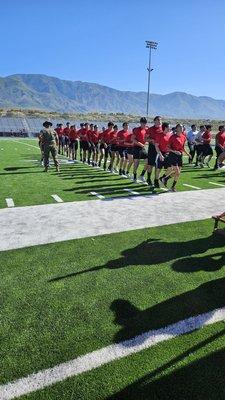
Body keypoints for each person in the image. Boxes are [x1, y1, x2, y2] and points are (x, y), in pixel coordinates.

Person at [160, 124, 189, 192]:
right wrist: (175, 151)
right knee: (177, 171)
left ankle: (166, 180)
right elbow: (167, 148)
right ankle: (171, 186)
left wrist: (187, 154)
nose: (182, 128)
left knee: (178, 173)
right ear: (177, 129)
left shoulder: (184, 137)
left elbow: (182, 148)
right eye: (180, 127)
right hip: (173, 155)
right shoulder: (172, 137)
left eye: (182, 127)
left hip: (179, 156)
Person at [139, 116, 163, 187]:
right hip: (152, 148)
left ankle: (156, 180)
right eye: (158, 120)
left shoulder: (162, 129)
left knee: (158, 166)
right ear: (154, 121)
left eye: (160, 120)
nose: (159, 121)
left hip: (160, 148)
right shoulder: (150, 129)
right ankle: (149, 179)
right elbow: (145, 139)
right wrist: (152, 140)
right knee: (151, 165)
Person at [132, 117, 148, 183]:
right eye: (143, 123)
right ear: (140, 123)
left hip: (142, 148)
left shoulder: (146, 129)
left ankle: (141, 175)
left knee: (148, 161)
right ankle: (135, 176)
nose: (144, 124)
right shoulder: (136, 130)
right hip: (136, 148)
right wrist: (140, 144)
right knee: (136, 163)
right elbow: (133, 139)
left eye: (145, 123)